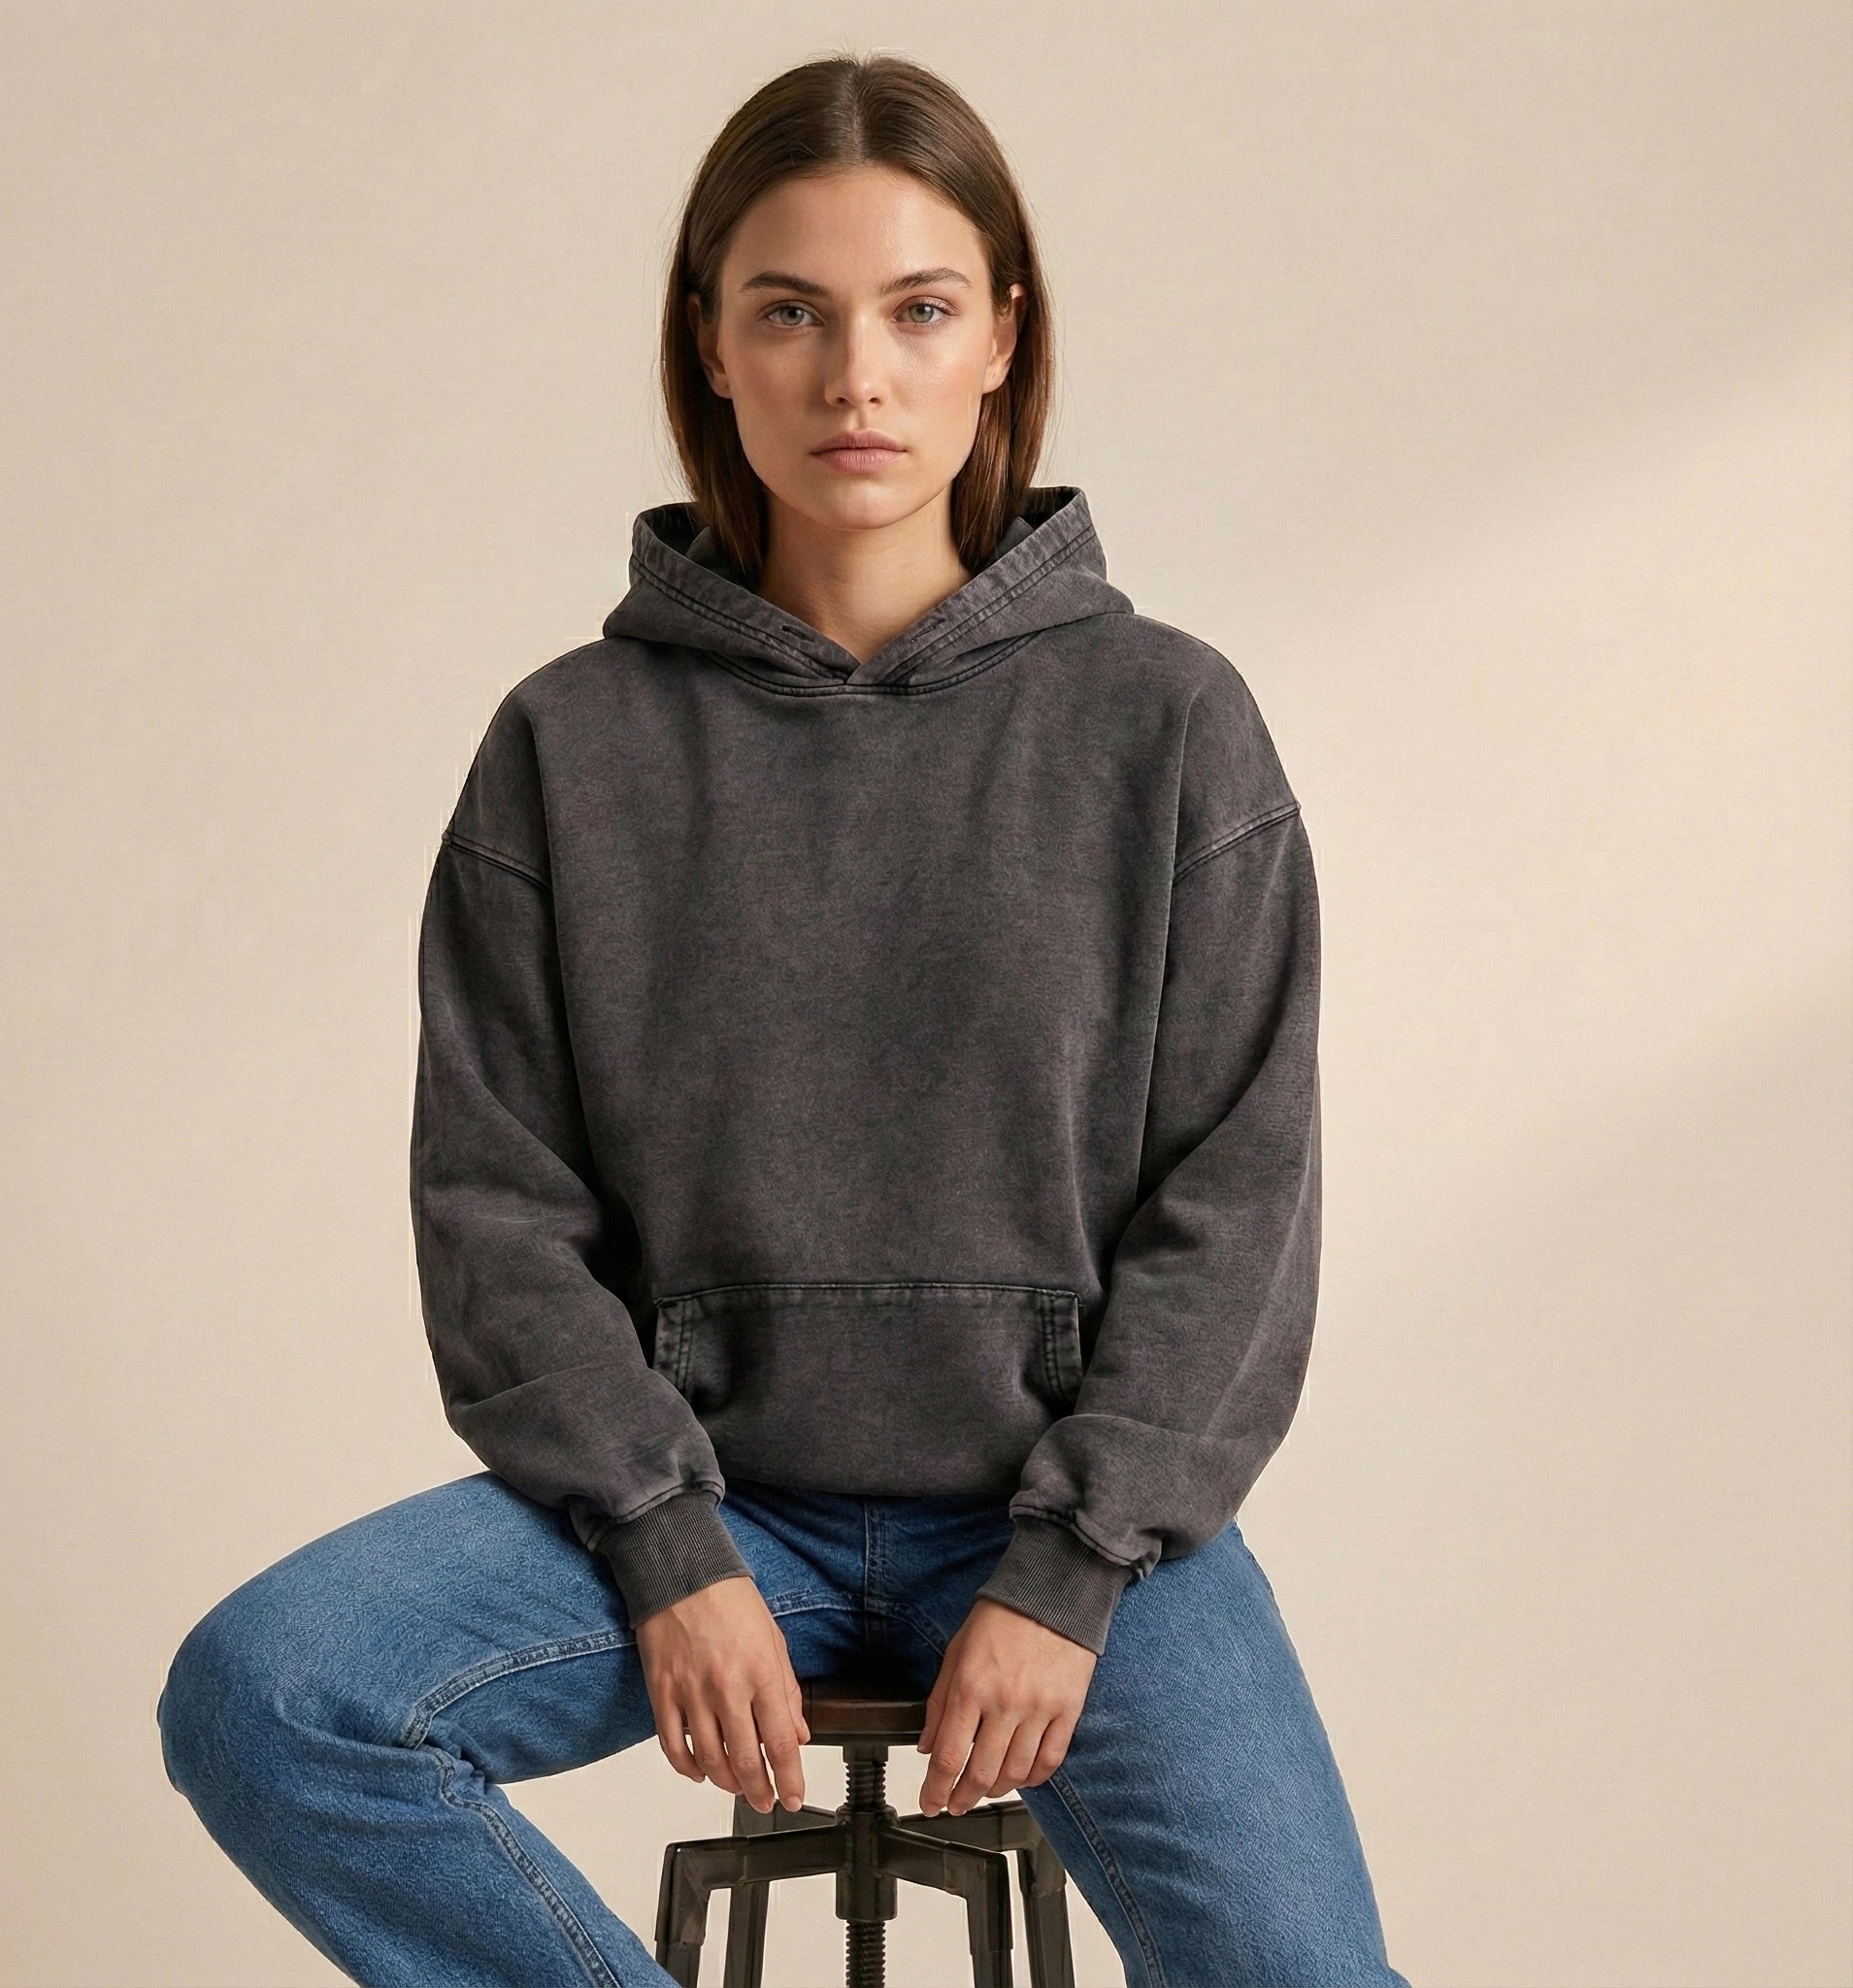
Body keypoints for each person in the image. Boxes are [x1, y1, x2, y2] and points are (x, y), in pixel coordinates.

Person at [156, 50, 1412, 1988]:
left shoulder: (1164, 724)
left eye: (916, 311)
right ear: (712, 347)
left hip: (1077, 1532)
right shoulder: (570, 746)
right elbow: (497, 1202)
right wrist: (667, 1546)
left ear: (1001, 337)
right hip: (710, 1508)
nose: (855, 378)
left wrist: (1070, 1573)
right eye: (791, 314)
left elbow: (1234, 1200)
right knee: (268, 1697)